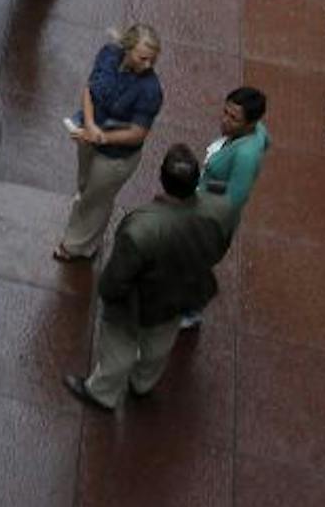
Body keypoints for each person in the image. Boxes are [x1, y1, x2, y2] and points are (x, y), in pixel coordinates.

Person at [64, 145, 228, 412]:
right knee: (160, 343)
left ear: (162, 177)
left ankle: (103, 393)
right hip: (181, 294)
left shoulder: (142, 225)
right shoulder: (215, 213)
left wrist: (109, 293)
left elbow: (118, 277)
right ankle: (143, 384)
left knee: (119, 346)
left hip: (139, 301)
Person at [53, 24, 163, 262]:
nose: (148, 65)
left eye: (152, 60)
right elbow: (90, 88)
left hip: (117, 155)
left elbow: (137, 133)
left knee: (95, 199)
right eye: (143, 58)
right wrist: (91, 126)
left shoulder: (150, 90)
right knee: (87, 188)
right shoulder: (109, 54)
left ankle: (75, 246)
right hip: (89, 137)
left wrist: (101, 136)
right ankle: (89, 236)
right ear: (127, 49)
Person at [183, 86, 269, 329]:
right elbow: (266, 139)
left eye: (234, 118)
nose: (225, 121)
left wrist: (199, 206)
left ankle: (191, 311)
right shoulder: (258, 132)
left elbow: (234, 199)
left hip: (211, 220)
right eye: (225, 112)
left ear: (250, 122)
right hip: (207, 205)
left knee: (195, 264)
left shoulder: (245, 156)